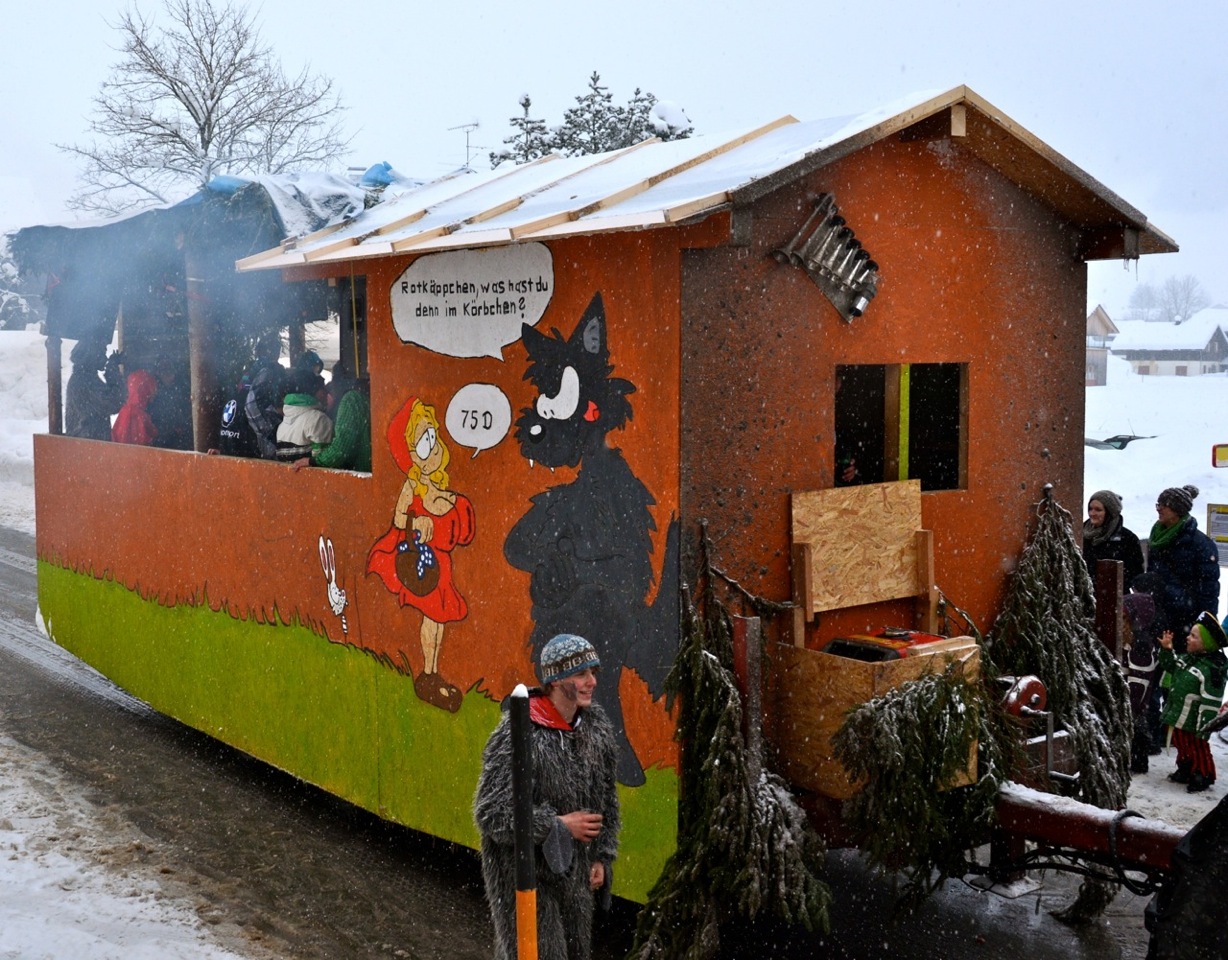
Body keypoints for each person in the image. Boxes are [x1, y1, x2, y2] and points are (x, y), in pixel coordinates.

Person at [473, 634, 620, 960]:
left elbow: (607, 799)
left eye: (593, 672)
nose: (592, 682)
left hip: (575, 880)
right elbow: (492, 813)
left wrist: (602, 856)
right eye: (581, 674)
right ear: (555, 680)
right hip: (528, 879)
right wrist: (557, 825)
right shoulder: (519, 731)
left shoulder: (595, 728)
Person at [366, 397, 475, 711]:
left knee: (439, 619)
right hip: (424, 565)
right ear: (412, 455)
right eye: (424, 443)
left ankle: (432, 672)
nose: (434, 447)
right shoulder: (412, 486)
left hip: (441, 565)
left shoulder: (439, 484)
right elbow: (399, 518)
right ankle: (428, 673)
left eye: (432, 436)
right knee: (433, 618)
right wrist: (418, 522)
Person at [1157, 611, 1228, 793]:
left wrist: (1204, 727)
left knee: (1198, 748)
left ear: (1206, 644)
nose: (1188, 638)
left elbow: (1211, 702)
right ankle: (1186, 768)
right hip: (1179, 715)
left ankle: (1203, 774)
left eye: (1194, 636)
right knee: (1182, 744)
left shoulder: (1212, 670)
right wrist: (1167, 650)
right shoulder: (1188, 659)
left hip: (1194, 721)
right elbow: (1171, 665)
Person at [1146, 484, 1221, 637]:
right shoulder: (1157, 539)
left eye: (1164, 505)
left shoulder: (1201, 544)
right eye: (1158, 504)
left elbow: (1209, 590)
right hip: (1159, 616)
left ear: (1178, 510)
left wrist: (1205, 626)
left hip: (1186, 620)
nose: (1159, 509)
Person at [291, 375, 371, 472]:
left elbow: (341, 449)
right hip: (370, 473)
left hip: (361, 473)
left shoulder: (352, 400)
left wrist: (313, 461)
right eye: (324, 388)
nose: (327, 392)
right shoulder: (363, 399)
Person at [64, 336, 125, 441]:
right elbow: (114, 403)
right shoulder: (85, 380)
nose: (105, 358)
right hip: (87, 444)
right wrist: (112, 370)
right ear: (92, 354)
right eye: (102, 352)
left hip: (85, 443)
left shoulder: (83, 377)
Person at [1082, 489, 1144, 587]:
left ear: (1110, 512)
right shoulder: (1081, 534)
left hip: (1115, 593)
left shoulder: (1127, 539)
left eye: (1098, 510)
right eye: (1090, 509)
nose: (1092, 513)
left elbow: (1135, 574)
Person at [244, 332, 287, 459]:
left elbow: (243, 391)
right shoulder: (275, 370)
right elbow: (278, 400)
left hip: (247, 426)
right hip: (268, 425)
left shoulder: (250, 370)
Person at [275, 369, 332, 462]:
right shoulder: (318, 419)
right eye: (322, 387)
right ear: (312, 392)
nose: (327, 392)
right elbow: (324, 462)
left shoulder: (282, 427)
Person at [111, 369, 159, 445]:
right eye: (152, 390)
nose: (154, 394)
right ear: (145, 391)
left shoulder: (124, 411)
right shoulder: (138, 414)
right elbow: (141, 445)